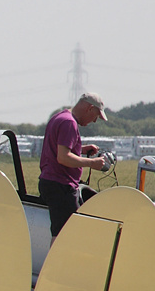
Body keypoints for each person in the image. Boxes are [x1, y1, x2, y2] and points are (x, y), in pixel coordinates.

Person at [38, 93, 112, 238]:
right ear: (89, 108)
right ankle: (57, 261)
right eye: (96, 116)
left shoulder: (60, 117)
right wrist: (92, 163)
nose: (95, 121)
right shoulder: (69, 123)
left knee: (63, 232)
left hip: (51, 182)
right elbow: (63, 158)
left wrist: (82, 149)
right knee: (65, 235)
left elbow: (58, 149)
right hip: (61, 185)